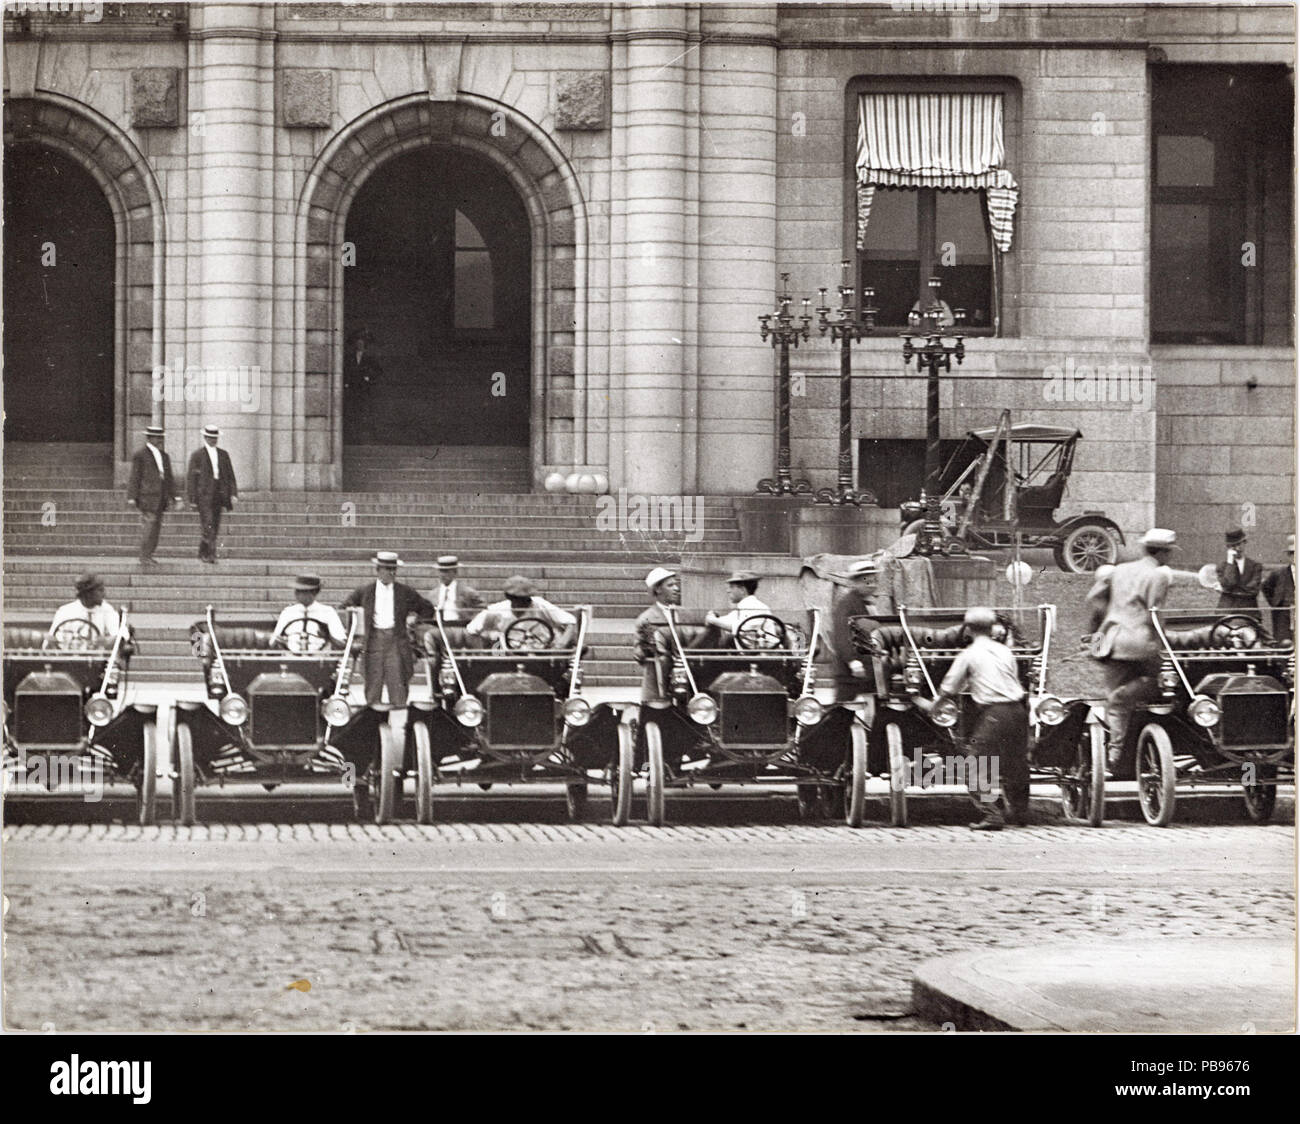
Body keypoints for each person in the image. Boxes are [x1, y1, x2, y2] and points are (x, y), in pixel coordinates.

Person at [1085, 527, 1176, 768]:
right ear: (1164, 554)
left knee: (1114, 700)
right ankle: (1144, 747)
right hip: (1142, 645)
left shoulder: (1119, 570)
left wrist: (1106, 628)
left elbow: (1094, 603)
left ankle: (1116, 752)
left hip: (1114, 644)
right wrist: (1165, 643)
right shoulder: (1158, 575)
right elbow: (1155, 613)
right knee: (1166, 687)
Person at [932, 607, 1029, 831]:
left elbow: (949, 689)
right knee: (1017, 764)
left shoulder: (968, 654)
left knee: (974, 764)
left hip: (994, 713)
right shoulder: (1005, 651)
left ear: (968, 630)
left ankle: (992, 815)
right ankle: (1021, 813)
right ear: (991, 628)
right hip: (1018, 710)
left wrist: (931, 704)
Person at [341, 551, 435, 738]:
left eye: (393, 569)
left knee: (398, 682)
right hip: (373, 639)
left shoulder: (404, 592)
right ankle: (372, 729)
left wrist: (415, 621)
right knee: (373, 683)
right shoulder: (365, 591)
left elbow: (427, 608)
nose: (391, 573)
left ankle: (400, 729)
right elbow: (345, 606)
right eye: (387, 569)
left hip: (396, 639)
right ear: (377, 570)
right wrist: (354, 615)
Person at [466, 576, 577, 648]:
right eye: (518, 599)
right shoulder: (495, 611)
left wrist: (560, 644)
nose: (523, 603)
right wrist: (481, 650)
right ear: (509, 597)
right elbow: (471, 630)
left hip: (541, 651)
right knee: (495, 641)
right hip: (506, 655)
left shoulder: (540, 605)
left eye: (526, 598)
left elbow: (570, 621)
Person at [126, 424, 179, 566]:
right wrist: (131, 496)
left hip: (161, 498)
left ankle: (149, 554)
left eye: (160, 437)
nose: (159, 440)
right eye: (156, 437)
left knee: (156, 528)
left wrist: (175, 497)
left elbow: (169, 478)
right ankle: (144, 556)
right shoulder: (140, 455)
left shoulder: (164, 456)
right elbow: (135, 477)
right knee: (149, 526)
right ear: (149, 438)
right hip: (147, 497)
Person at [829, 558, 880, 702]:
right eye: (866, 581)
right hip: (850, 671)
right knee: (843, 709)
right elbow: (841, 633)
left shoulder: (870, 603)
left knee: (878, 707)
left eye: (874, 580)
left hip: (869, 667)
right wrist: (852, 661)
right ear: (856, 583)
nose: (872, 585)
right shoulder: (847, 603)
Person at [186, 424, 239, 564]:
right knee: (208, 523)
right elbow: (191, 479)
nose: (213, 440)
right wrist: (192, 499)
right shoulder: (197, 455)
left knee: (214, 523)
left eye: (215, 438)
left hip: (219, 493)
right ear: (205, 437)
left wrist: (233, 493)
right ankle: (211, 554)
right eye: (210, 437)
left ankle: (202, 551)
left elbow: (230, 475)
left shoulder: (223, 454)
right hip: (204, 494)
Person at [634, 567, 681, 702]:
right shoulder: (646, 618)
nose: (676, 588)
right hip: (657, 685)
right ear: (658, 589)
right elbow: (638, 653)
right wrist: (647, 647)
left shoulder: (685, 615)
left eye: (676, 584)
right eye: (670, 585)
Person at [271, 575, 348, 652]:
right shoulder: (288, 612)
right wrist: (280, 641)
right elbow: (273, 641)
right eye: (296, 590)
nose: (296, 594)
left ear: (314, 592)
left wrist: (328, 635)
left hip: (321, 659)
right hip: (290, 657)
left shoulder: (328, 612)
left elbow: (341, 644)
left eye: (302, 591)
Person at [49, 573, 124, 650]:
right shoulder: (65, 611)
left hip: (97, 659)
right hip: (67, 657)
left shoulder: (107, 610)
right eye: (100, 590)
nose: (104, 594)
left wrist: (107, 641)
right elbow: (51, 638)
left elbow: (118, 636)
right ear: (88, 593)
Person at [344, 328, 382, 443]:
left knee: (365, 411)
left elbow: (378, 371)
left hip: (365, 388)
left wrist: (369, 377)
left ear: (365, 344)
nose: (359, 344)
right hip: (352, 388)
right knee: (352, 411)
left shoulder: (371, 356)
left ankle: (366, 438)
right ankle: (353, 437)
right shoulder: (350, 356)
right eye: (357, 342)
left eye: (361, 342)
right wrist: (346, 383)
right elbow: (346, 370)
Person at [705, 571, 770, 637]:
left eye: (732, 587)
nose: (728, 591)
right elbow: (725, 620)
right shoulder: (743, 607)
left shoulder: (757, 607)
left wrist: (713, 620)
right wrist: (712, 616)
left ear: (742, 590)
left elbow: (743, 630)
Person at [426, 555, 485, 623]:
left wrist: (470, 620)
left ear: (455, 572)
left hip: (459, 627)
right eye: (440, 571)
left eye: (446, 571)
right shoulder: (433, 594)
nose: (442, 575)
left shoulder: (467, 592)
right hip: (438, 627)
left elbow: (482, 609)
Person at [1215, 528, 1263, 611]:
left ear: (1244, 543)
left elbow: (1252, 590)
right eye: (1233, 546)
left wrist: (1226, 591)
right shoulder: (1222, 567)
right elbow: (1230, 583)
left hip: (1248, 612)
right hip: (1226, 612)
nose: (1237, 548)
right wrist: (1230, 562)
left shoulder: (1255, 566)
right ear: (1228, 548)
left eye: (1239, 544)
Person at [1262, 534, 1295, 644]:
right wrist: (1276, 602)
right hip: (1283, 615)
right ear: (1289, 556)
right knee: (1284, 643)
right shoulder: (1279, 574)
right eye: (1292, 553)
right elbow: (1266, 587)